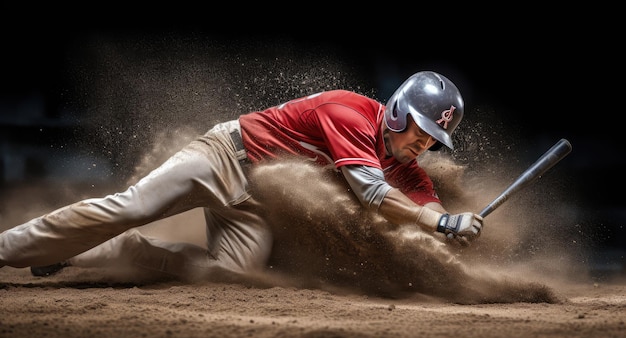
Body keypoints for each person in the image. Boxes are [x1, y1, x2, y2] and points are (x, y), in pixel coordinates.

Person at [0, 71, 483, 281]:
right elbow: (375, 195)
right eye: (419, 129)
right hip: (224, 157)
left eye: (431, 140)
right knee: (132, 207)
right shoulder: (351, 113)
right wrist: (436, 225)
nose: (423, 143)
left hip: (256, 201)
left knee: (229, 274)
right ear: (397, 111)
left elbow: (425, 202)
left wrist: (450, 225)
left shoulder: (407, 165)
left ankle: (98, 253)